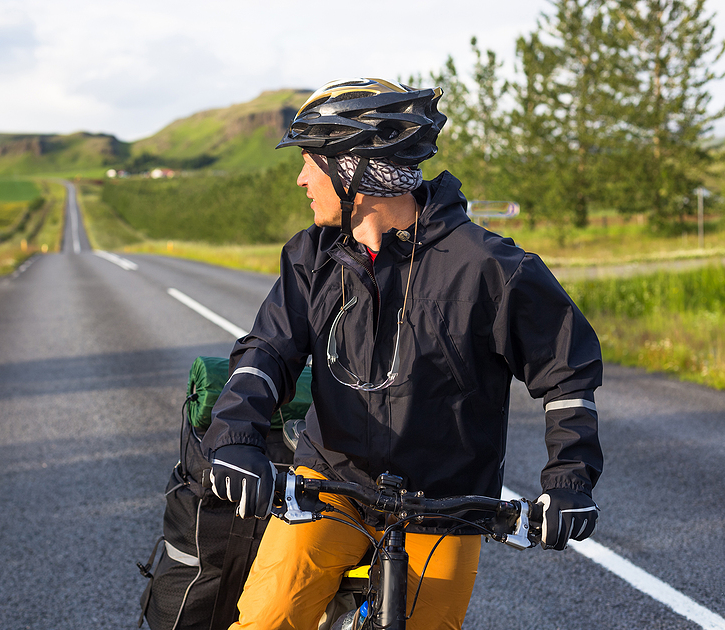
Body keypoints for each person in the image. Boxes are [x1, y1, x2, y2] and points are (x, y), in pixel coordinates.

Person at [200, 77, 603, 630]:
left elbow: (567, 375)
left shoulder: (491, 268)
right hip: (331, 483)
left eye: (311, 162)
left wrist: (569, 481)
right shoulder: (311, 256)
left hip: (446, 500)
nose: (300, 178)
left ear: (355, 172)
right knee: (268, 618)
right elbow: (267, 352)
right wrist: (237, 437)